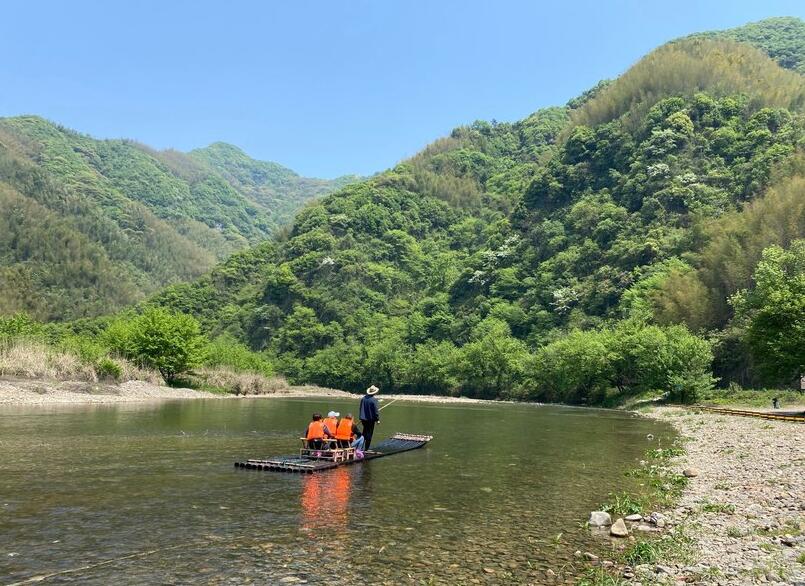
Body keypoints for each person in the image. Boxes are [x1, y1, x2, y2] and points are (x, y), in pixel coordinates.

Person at [359, 385, 380, 451]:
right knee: (369, 434)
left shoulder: (363, 398)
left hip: (363, 419)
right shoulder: (374, 400)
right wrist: (377, 419)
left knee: (364, 433)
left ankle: (360, 447)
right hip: (370, 420)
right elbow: (376, 411)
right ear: (374, 392)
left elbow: (360, 408)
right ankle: (366, 449)